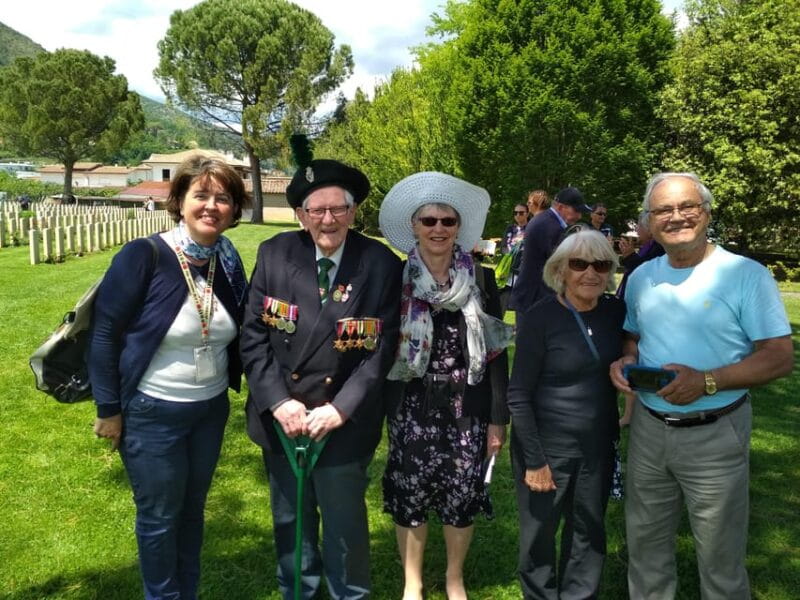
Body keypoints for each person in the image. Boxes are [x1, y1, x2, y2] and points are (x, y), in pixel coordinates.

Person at [609, 172, 793, 599]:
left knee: (721, 562)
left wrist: (707, 381)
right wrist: (628, 360)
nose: (676, 217)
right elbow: (633, 336)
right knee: (646, 552)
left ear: (706, 212)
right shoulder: (640, 278)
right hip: (650, 430)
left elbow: (778, 357)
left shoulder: (745, 275)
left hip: (716, 433)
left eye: (686, 206)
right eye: (663, 210)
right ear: (648, 221)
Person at [240, 148, 402, 600]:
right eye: (316, 210)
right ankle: (298, 592)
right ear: (300, 214)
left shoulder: (379, 264)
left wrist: (340, 410)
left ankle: (349, 593)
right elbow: (252, 337)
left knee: (345, 523)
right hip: (282, 419)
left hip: (342, 423)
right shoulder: (274, 254)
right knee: (291, 521)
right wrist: (278, 401)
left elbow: (382, 349)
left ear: (353, 212)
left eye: (338, 209)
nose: (327, 220)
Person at [90, 154, 250, 599]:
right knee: (160, 517)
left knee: (192, 513)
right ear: (179, 201)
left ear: (235, 209)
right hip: (151, 411)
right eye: (201, 195)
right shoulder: (146, 255)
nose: (211, 206)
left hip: (210, 409)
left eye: (223, 198)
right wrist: (109, 409)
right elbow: (104, 335)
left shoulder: (227, 261)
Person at [378, 171, 514, 600]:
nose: (438, 228)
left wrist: (497, 418)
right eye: (429, 220)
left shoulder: (483, 279)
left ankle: (455, 579)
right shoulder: (394, 279)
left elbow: (495, 353)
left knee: (461, 493)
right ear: (415, 227)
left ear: (459, 228)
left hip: (466, 406)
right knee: (411, 491)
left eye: (448, 221)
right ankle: (412, 583)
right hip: (411, 402)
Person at [508, 228, 624, 599]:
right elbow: (518, 394)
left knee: (589, 529)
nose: (590, 273)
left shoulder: (615, 312)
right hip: (547, 446)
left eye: (601, 264)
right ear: (560, 270)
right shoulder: (539, 318)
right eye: (579, 264)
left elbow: (632, 352)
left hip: (597, 445)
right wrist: (535, 460)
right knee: (539, 535)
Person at [509, 187, 591, 312]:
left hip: (533, 298)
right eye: (576, 210)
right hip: (537, 300)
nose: (579, 216)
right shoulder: (550, 226)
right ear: (561, 207)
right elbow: (561, 264)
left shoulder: (545, 220)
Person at [497, 203, 529, 313]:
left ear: (527, 214)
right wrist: (509, 255)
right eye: (515, 213)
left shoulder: (531, 229)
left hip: (523, 272)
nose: (518, 215)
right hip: (507, 272)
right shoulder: (510, 228)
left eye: (521, 213)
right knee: (501, 302)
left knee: (522, 306)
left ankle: (520, 328)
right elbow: (503, 246)